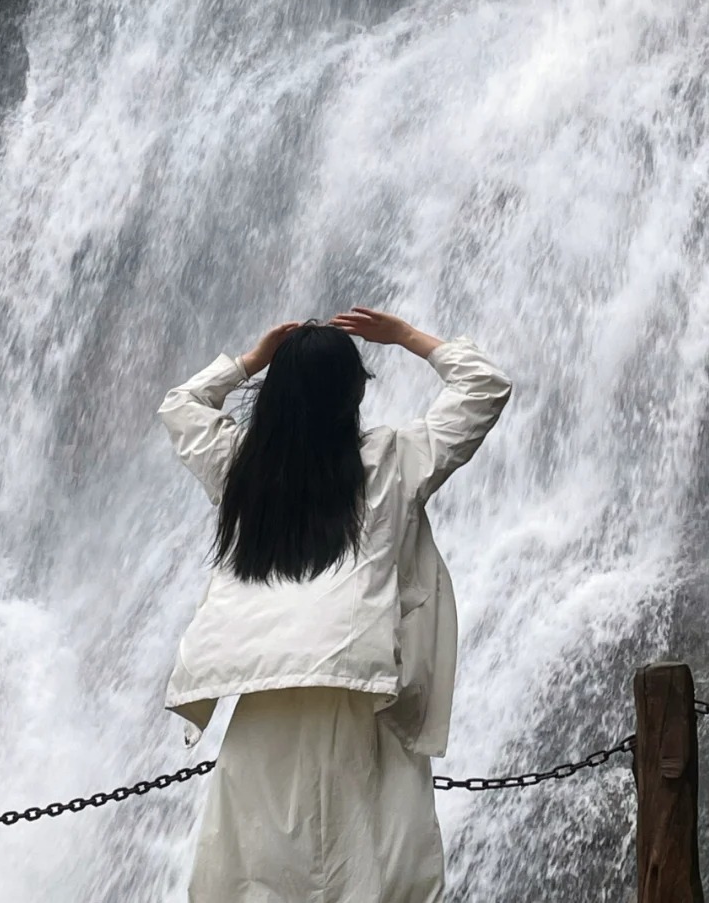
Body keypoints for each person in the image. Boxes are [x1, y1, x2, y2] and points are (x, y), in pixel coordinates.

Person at [157, 305, 513, 903]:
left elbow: (181, 408)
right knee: (369, 860)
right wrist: (406, 337)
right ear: (353, 396)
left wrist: (250, 361)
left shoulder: (242, 469)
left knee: (256, 863)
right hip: (360, 686)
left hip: (261, 690)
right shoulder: (391, 461)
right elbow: (485, 386)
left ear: (275, 398)